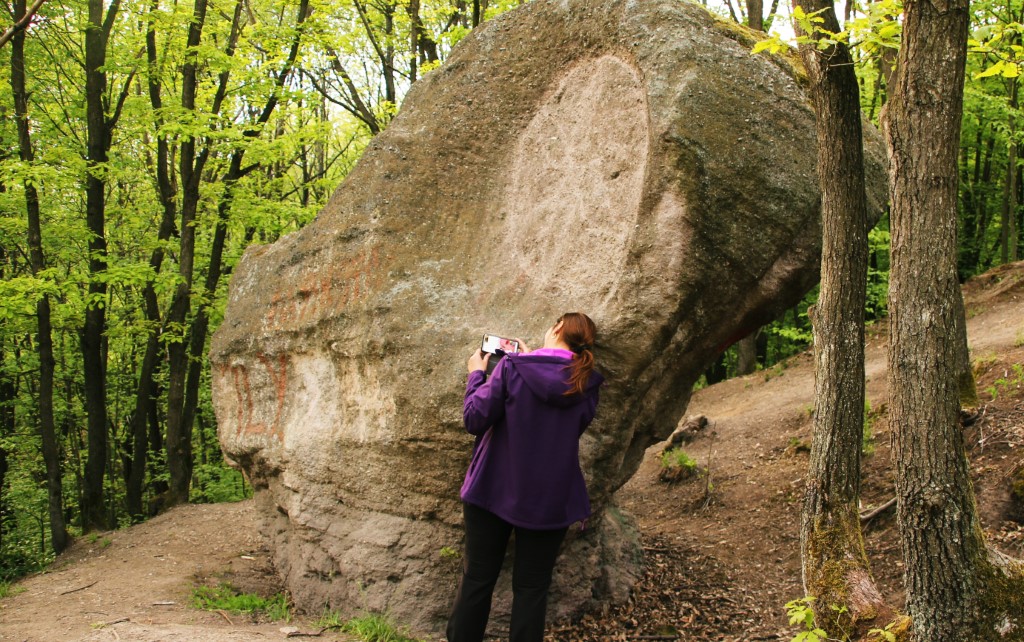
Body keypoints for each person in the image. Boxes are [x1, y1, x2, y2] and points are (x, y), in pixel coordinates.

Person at [447, 312, 604, 642]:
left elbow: (474, 419)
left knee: (477, 579)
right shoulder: (587, 383)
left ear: (557, 328)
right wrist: (533, 361)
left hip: (492, 488)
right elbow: (567, 428)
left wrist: (476, 375)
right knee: (532, 589)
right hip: (551, 499)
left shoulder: (512, 367)